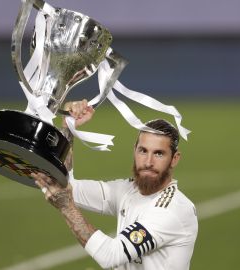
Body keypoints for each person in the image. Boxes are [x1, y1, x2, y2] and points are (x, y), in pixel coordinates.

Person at [31, 100, 198, 270]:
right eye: (143, 151)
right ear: (135, 150)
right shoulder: (128, 190)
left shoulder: (172, 210)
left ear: (174, 159)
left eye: (159, 154)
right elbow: (67, 186)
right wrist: (68, 127)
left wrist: (67, 207)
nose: (148, 162)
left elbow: (111, 256)